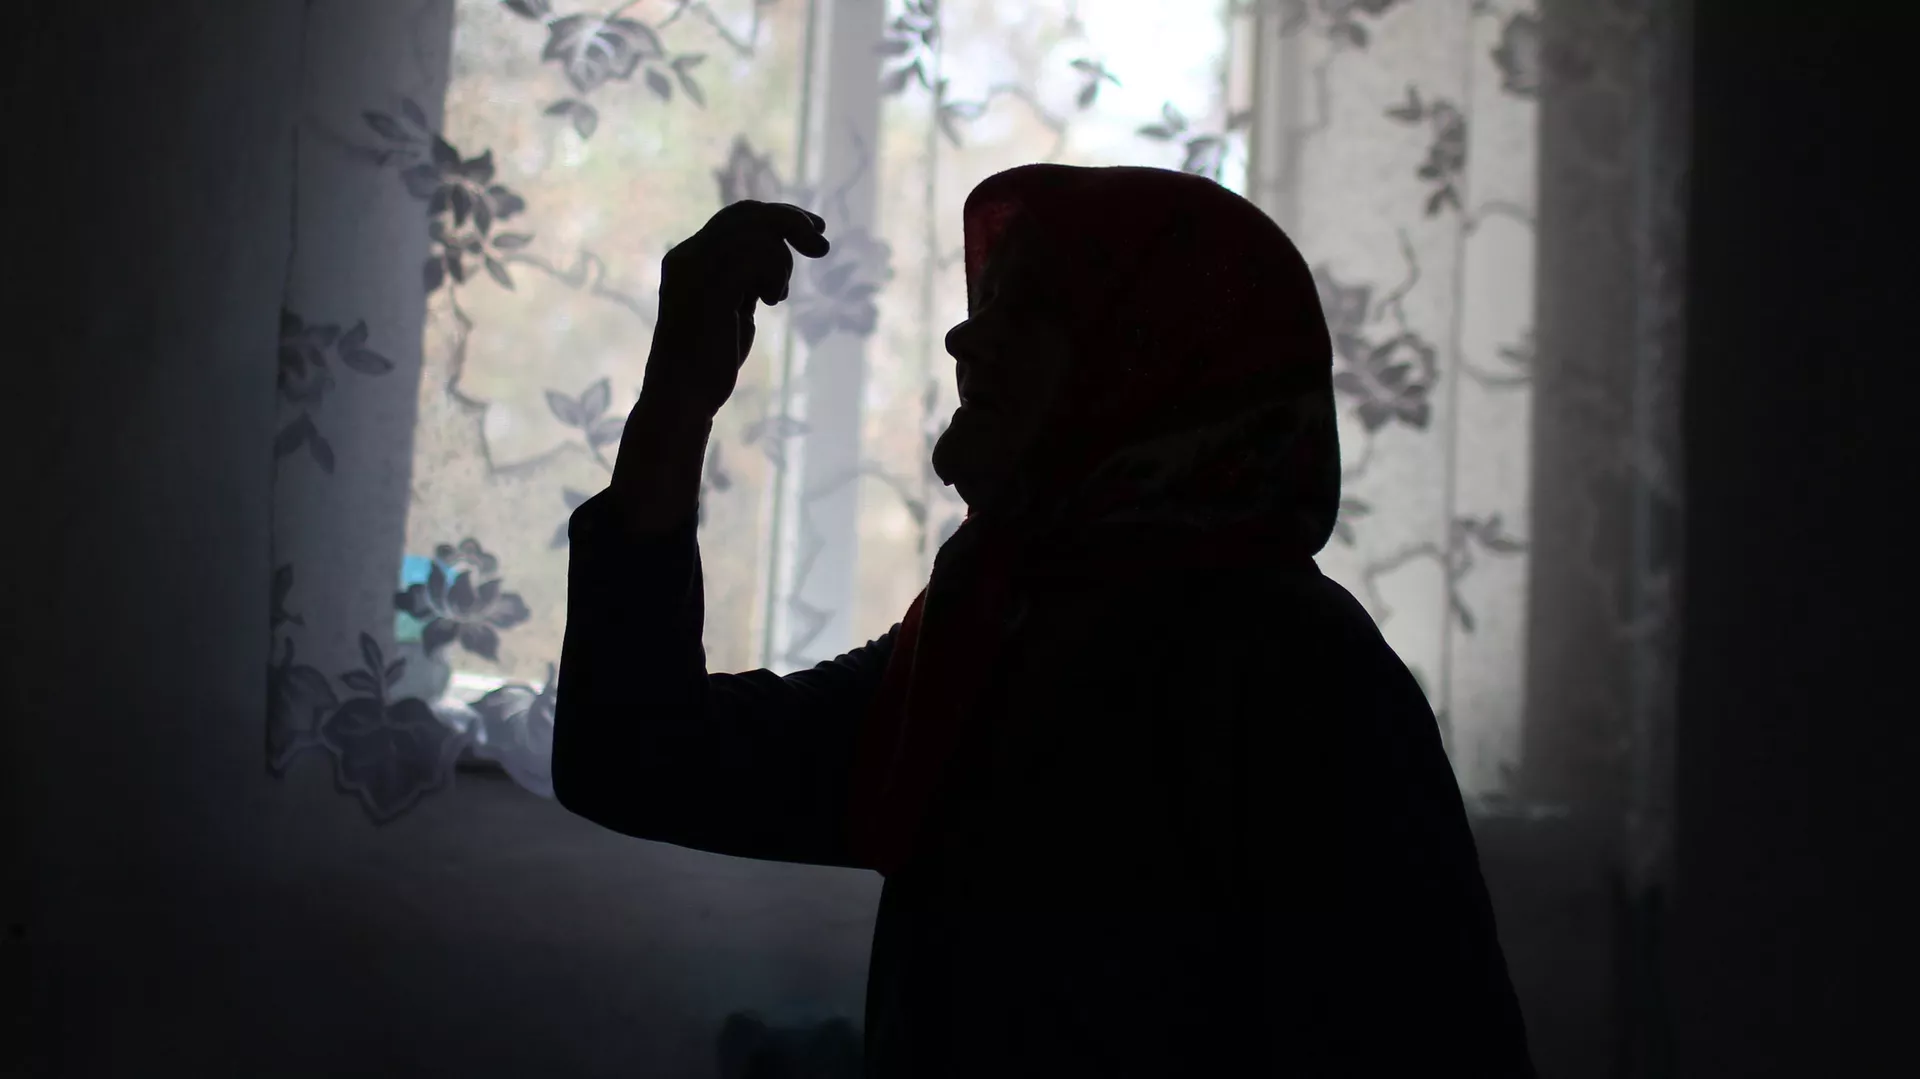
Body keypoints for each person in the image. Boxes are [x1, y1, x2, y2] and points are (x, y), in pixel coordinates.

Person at [554, 164, 1537, 1076]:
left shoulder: (1302, 673)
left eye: (1024, 309)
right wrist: (677, 399)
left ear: (1147, 355)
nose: (963, 341)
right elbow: (635, 757)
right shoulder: (989, 628)